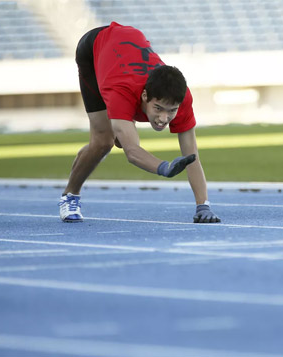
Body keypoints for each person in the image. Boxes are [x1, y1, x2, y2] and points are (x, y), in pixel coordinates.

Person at [58, 22, 220, 224]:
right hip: (93, 49)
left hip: (128, 43)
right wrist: (164, 167)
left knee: (119, 134)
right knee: (103, 142)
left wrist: (202, 205)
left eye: (172, 111)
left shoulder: (183, 99)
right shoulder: (121, 91)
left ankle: (122, 126)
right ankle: (70, 195)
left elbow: (191, 156)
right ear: (144, 96)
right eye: (158, 108)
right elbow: (133, 153)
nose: (163, 119)